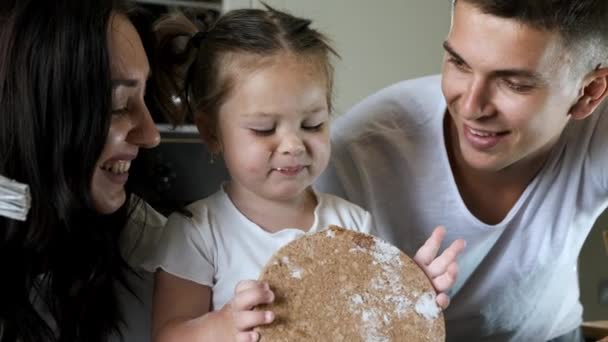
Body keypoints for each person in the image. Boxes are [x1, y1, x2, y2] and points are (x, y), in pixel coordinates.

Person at [145, 6, 466, 342]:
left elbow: (367, 328)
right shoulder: (199, 233)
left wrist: (406, 296)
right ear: (212, 133)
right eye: (264, 128)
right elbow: (168, 335)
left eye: (312, 124)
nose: (293, 145)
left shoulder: (351, 224)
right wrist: (222, 327)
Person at [316, 0, 608, 341]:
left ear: (588, 93)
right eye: (459, 63)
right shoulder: (354, 152)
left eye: (513, 83)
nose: (470, 107)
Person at [0, 1, 165, 341]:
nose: (151, 135)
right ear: (33, 113)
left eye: (145, 97)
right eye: (119, 103)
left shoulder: (161, 255)